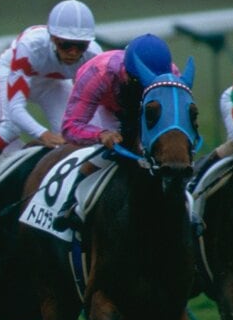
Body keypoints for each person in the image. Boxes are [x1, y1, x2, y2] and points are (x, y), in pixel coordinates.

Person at [0, 0, 101, 194]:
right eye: (66, 45)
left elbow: (94, 107)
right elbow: (15, 109)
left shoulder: (94, 55)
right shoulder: (30, 46)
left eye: (81, 46)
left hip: (53, 83)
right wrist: (43, 135)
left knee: (71, 134)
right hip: (11, 71)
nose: (73, 53)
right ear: (53, 38)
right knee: (10, 127)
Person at [52, 33, 175, 229]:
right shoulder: (98, 74)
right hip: (109, 107)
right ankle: (70, 205)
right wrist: (101, 135)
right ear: (125, 71)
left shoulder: (171, 77)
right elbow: (70, 127)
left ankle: (189, 205)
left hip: (149, 110)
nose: (143, 87)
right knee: (106, 154)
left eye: (149, 83)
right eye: (138, 81)